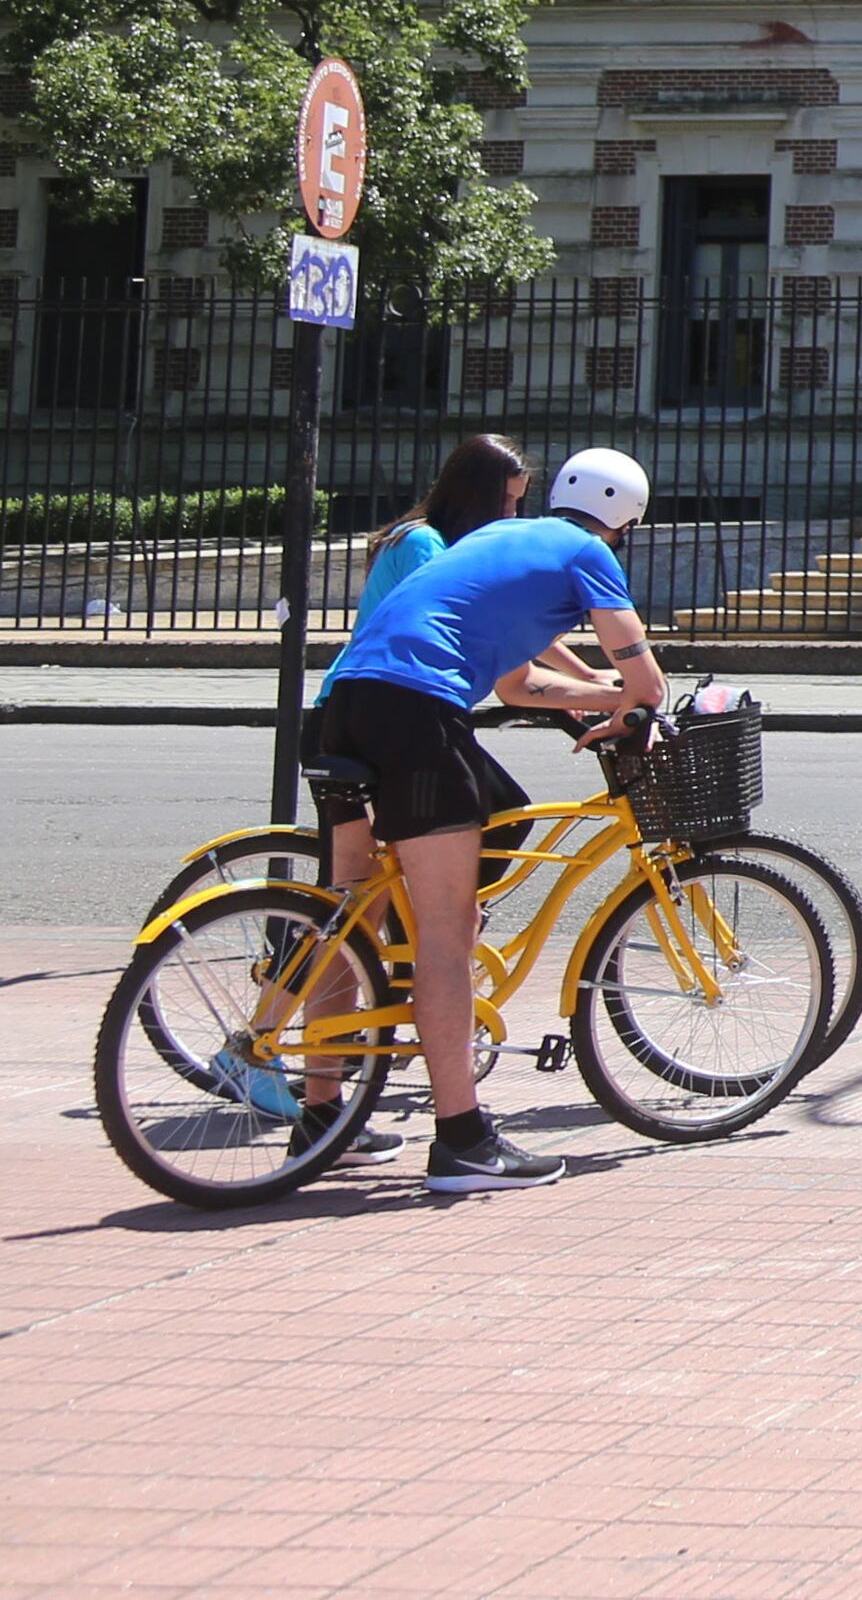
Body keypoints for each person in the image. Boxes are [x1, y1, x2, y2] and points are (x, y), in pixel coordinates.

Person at [301, 444, 673, 1192]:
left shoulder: (493, 541)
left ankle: (322, 1119)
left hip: (342, 709)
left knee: (353, 916)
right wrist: (635, 705)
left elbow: (516, 684)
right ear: (624, 522)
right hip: (415, 712)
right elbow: (650, 682)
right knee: (446, 932)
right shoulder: (586, 552)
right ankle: (464, 1142)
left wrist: (604, 700)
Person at [346, 433, 530, 640]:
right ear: (472, 492)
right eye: (504, 498)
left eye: (517, 501)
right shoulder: (422, 543)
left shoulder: (460, 545)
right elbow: (453, 627)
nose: (511, 512)